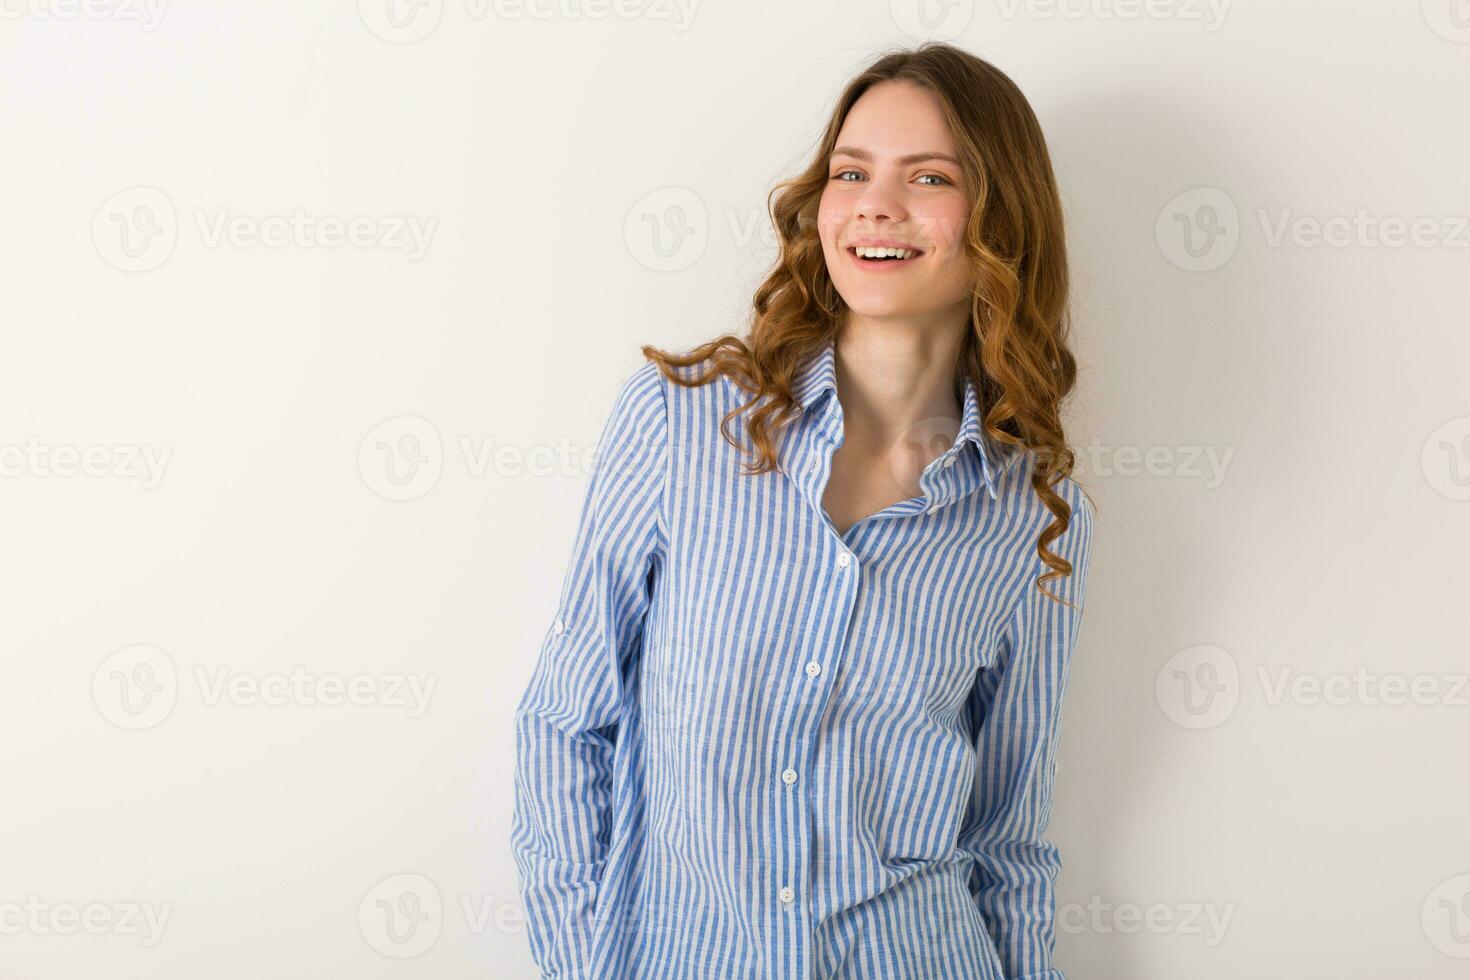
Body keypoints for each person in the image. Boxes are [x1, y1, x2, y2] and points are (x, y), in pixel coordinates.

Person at [512, 40, 1096, 980]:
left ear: (1001, 220)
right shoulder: (681, 422)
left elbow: (1006, 834)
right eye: (850, 172)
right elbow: (566, 726)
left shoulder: (1030, 512)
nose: (874, 203)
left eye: (930, 177)